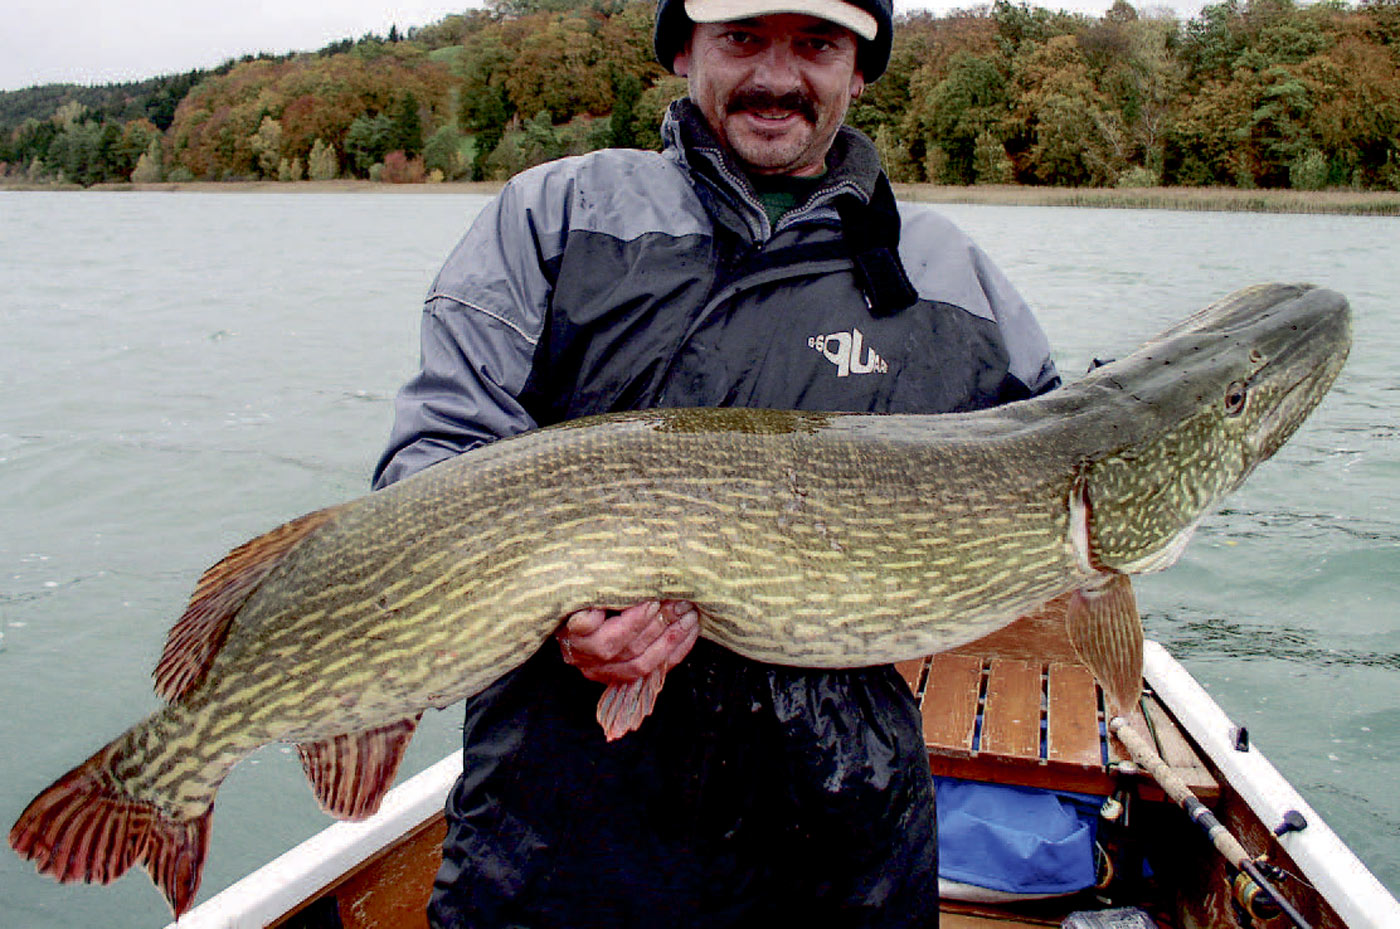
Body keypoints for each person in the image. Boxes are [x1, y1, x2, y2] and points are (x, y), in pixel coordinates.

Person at [372, 0, 1060, 924]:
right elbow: (436, 467)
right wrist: (571, 604)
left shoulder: (949, 279)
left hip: (838, 859)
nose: (778, 76)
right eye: (743, 39)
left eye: (816, 44)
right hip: (555, 851)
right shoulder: (558, 218)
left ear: (860, 69)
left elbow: (1054, 449)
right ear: (683, 52)